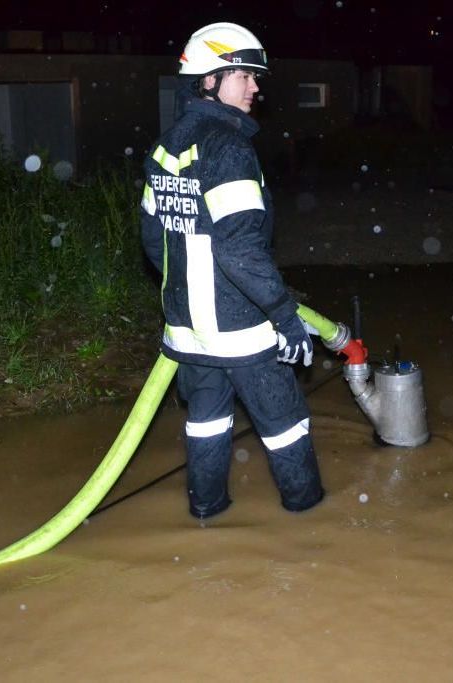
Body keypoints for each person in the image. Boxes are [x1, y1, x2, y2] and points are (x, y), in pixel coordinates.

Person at [140, 22, 325, 520]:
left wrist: (184, 298)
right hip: (242, 331)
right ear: (207, 81)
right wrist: (285, 318)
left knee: (206, 425)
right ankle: (313, 530)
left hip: (188, 333)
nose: (255, 87)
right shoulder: (231, 149)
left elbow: (153, 243)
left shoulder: (167, 146)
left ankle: (207, 515)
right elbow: (240, 249)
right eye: (243, 75)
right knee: (286, 427)